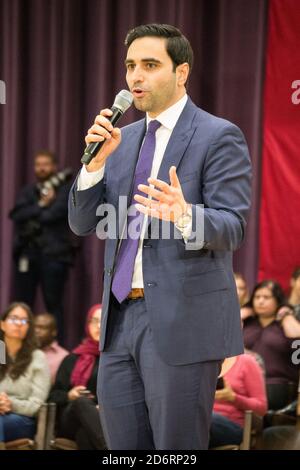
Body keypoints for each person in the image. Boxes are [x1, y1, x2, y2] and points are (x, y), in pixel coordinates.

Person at [68, 23, 252, 449]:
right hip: (118, 322)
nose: (135, 77)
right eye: (130, 66)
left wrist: (184, 214)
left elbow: (234, 226)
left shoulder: (217, 135)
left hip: (182, 322)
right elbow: (81, 223)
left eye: (150, 65)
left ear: (181, 72)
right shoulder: (121, 139)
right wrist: (94, 167)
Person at [9, 150, 74, 342]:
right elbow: (15, 215)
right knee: (23, 304)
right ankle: (20, 348)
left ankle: (58, 349)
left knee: (54, 304)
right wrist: (42, 205)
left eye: (45, 164)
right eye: (38, 164)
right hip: (28, 254)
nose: (41, 168)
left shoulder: (64, 189)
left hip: (54, 256)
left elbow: (55, 214)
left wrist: (38, 211)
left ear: (54, 166)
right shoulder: (29, 190)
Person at [49, 304, 106, 450]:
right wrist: (69, 395)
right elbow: (53, 395)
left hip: (104, 418)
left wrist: (105, 407)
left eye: (103, 320)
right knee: (81, 402)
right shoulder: (72, 358)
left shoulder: (116, 359)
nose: (98, 326)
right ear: (88, 325)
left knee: (84, 435)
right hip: (69, 420)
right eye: (94, 321)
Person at [243, 280, 300, 410]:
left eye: (266, 297)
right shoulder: (247, 324)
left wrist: (285, 315)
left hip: (276, 385)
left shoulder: (286, 324)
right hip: (243, 385)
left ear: (278, 300)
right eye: (257, 297)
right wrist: (241, 314)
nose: (261, 301)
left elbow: (297, 336)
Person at [0, 302, 51, 446]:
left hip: (22, 419)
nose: (18, 324)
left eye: (24, 320)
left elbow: (36, 405)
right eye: (13, 319)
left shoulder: (37, 357)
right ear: (2, 324)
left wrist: (10, 404)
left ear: (29, 327)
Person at [209, 354, 267, 448]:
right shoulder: (206, 363)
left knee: (204, 419)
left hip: (233, 425)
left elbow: (261, 408)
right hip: (205, 418)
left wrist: (233, 398)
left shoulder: (246, 362)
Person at [34, 313, 69, 383]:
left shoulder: (64, 356)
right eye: (34, 327)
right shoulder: (24, 351)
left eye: (42, 328)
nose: (36, 331)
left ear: (54, 332)